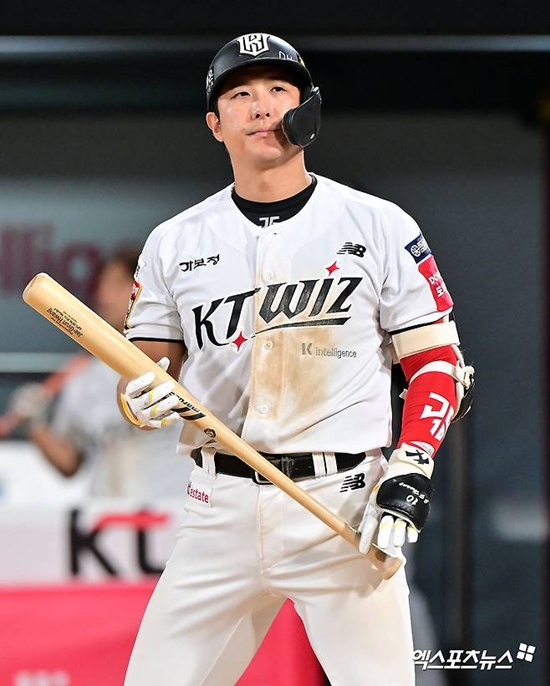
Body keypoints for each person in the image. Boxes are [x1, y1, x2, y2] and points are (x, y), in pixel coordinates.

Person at [118, 33, 475, 685]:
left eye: (279, 89)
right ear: (214, 123)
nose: (261, 105)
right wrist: (139, 397)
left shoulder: (379, 224)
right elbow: (146, 366)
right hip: (217, 507)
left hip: (342, 507)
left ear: (307, 108)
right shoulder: (174, 241)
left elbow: (436, 363)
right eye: (240, 94)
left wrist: (412, 464)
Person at [8, 247, 189, 499]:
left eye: (117, 284)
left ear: (146, 289)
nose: (103, 295)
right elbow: (70, 462)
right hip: (106, 513)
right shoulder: (84, 379)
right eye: (102, 285)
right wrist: (35, 425)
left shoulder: (183, 361)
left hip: (175, 510)